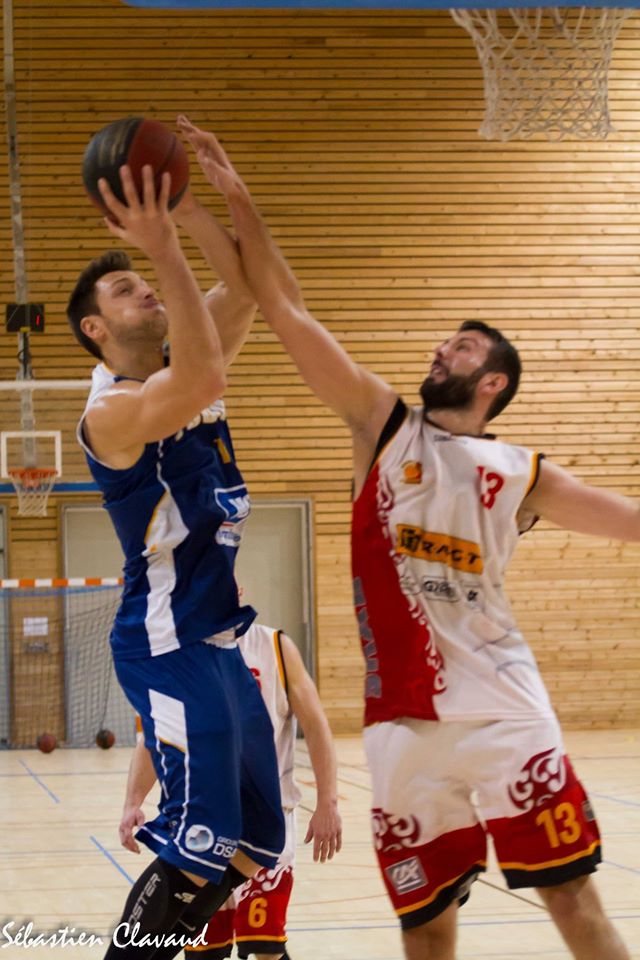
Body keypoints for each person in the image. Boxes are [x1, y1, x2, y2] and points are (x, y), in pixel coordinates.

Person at [176, 116, 636, 960]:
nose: (440, 348)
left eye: (459, 346)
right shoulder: (381, 428)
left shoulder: (521, 471)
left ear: (491, 380)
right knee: (425, 927)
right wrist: (224, 200)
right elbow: (282, 306)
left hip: (503, 706)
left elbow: (630, 521)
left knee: (571, 896)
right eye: (442, 339)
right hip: (399, 729)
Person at [67, 143, 285, 959]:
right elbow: (195, 383)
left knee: (251, 844)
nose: (148, 286)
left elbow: (255, 286)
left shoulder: (180, 358)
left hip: (220, 641)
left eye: (145, 276)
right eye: (125, 289)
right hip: (165, 643)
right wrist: (161, 242)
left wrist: (209, 206)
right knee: (196, 842)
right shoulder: (112, 415)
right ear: (95, 328)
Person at [120, 619, 342, 960]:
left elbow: (316, 725)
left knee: (265, 944)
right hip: (204, 823)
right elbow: (153, 737)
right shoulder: (179, 652)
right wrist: (133, 801)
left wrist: (327, 802)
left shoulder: (275, 647)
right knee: (203, 951)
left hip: (267, 820)